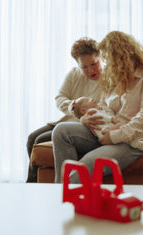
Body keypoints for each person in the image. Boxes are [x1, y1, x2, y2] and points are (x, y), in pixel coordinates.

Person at [52, 31, 143, 183]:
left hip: (132, 140)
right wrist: (85, 119)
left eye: (109, 60)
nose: (107, 65)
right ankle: (60, 192)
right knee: (61, 131)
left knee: (83, 169)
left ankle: (67, 195)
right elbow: (103, 106)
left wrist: (115, 135)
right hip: (104, 131)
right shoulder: (116, 76)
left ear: (122, 57)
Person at [26, 37, 103, 183]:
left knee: (40, 140)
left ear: (101, 57)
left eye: (94, 63)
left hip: (82, 127)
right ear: (78, 65)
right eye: (84, 67)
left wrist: (85, 115)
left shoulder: (110, 79)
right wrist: (72, 106)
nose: (91, 70)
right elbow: (59, 97)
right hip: (67, 120)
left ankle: (44, 186)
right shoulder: (74, 74)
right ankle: (32, 183)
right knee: (32, 138)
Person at [70, 96, 143, 149]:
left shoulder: (95, 110)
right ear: (83, 110)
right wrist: (115, 121)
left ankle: (135, 141)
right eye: (89, 100)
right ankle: (136, 139)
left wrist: (102, 108)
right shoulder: (92, 111)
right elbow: (105, 117)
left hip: (102, 134)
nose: (92, 98)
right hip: (106, 130)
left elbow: (107, 111)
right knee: (121, 126)